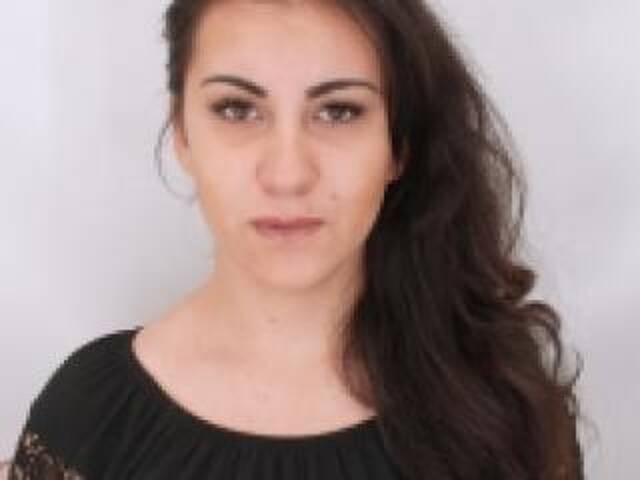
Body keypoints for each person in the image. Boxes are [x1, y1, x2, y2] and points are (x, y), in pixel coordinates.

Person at [8, 0, 586, 479]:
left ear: (398, 145)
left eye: (338, 111)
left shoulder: (501, 402)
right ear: (182, 132)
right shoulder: (91, 415)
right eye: (237, 109)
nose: (288, 175)